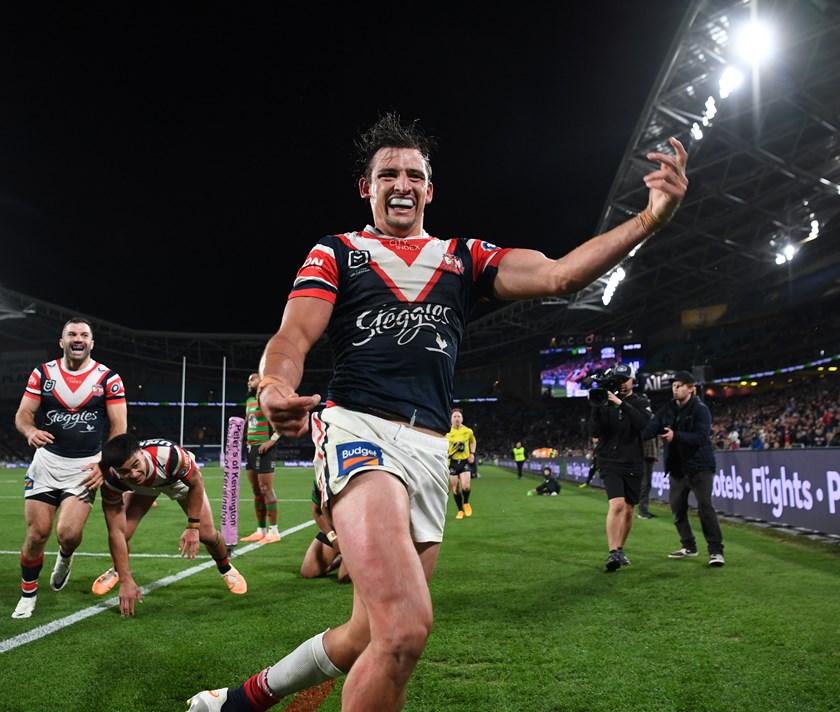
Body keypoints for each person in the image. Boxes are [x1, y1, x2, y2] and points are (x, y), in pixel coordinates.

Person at [187, 112, 687, 711]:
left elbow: (558, 275)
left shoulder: (464, 258)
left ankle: (237, 703)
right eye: (388, 174)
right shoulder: (338, 253)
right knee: (403, 633)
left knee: (366, 634)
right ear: (367, 189)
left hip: (428, 451)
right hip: (358, 429)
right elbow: (293, 336)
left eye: (414, 174)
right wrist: (272, 385)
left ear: (430, 189)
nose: (402, 183)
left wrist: (649, 219)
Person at [11, 317, 128, 620]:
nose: (78, 338)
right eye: (72, 334)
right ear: (62, 342)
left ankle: (65, 555)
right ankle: (28, 595)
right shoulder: (43, 373)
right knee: (37, 534)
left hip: (84, 467)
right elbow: (23, 413)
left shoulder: (108, 379)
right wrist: (29, 431)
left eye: (84, 335)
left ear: (91, 343)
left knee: (68, 533)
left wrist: (105, 465)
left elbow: (119, 427)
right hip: (47, 462)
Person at [89, 433, 247, 611]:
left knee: (206, 534)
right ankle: (118, 570)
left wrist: (193, 527)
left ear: (141, 453)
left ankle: (226, 569)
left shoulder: (171, 456)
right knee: (123, 534)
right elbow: (115, 531)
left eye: (135, 465)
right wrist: (126, 580)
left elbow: (196, 482)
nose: (133, 473)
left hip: (176, 480)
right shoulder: (112, 478)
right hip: (142, 487)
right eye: (125, 471)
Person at [642, 370, 724, 567]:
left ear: (691, 389)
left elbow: (701, 437)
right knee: (677, 509)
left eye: (679, 385)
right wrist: (632, 439)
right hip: (677, 468)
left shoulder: (700, 409)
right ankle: (689, 546)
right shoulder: (668, 408)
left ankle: (716, 551)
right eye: (673, 386)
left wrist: (675, 436)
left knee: (705, 507)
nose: (675, 389)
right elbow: (652, 427)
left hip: (699, 467)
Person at [587, 364, 653, 572]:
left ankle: (621, 549)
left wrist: (620, 404)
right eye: (620, 380)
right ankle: (612, 552)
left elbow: (644, 423)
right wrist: (598, 407)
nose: (623, 384)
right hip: (609, 461)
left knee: (629, 510)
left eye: (626, 379)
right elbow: (594, 431)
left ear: (633, 381)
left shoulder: (641, 402)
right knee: (617, 505)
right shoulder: (605, 403)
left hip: (633, 462)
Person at [240, 372, 282, 544]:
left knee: (266, 489)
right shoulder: (250, 401)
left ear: (262, 380)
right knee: (256, 490)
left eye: (252, 378)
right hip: (250, 448)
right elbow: (246, 422)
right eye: (248, 379)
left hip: (264, 448)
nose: (249, 381)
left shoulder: (267, 399)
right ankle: (260, 530)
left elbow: (279, 424)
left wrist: (271, 441)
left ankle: (274, 531)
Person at [300, 476, 351, 583]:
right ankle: (341, 559)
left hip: (354, 530)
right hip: (334, 528)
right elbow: (316, 512)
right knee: (308, 572)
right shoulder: (320, 478)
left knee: (344, 577)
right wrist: (333, 537)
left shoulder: (350, 475)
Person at [446, 408, 476, 519]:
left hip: (464, 462)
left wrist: (472, 453)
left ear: (462, 418)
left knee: (466, 487)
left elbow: (473, 441)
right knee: (456, 488)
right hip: (452, 463)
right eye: (455, 416)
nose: (457, 418)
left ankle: (466, 502)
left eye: (459, 416)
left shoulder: (468, 431)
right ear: (451, 419)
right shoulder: (447, 432)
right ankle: (460, 511)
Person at [637, 435, 660, 519]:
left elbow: (657, 439)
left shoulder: (654, 423)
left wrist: (656, 454)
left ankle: (644, 509)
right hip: (643, 455)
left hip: (650, 455)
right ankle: (642, 511)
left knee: (647, 484)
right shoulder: (645, 423)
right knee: (645, 484)